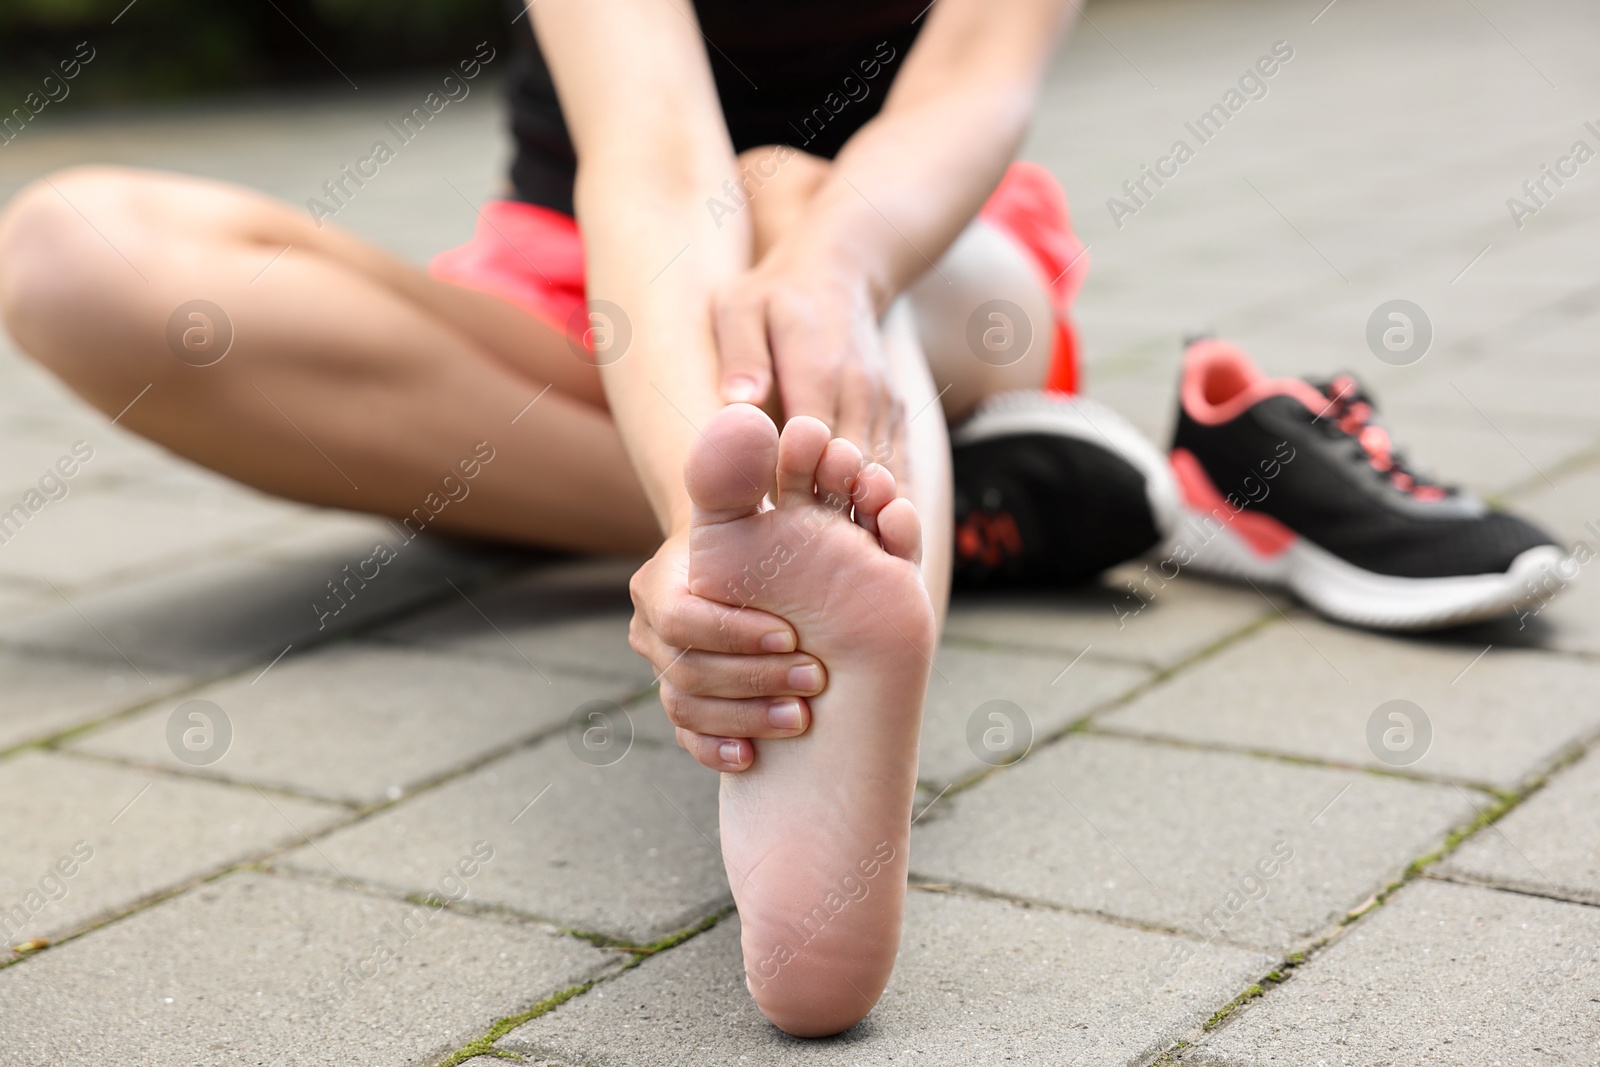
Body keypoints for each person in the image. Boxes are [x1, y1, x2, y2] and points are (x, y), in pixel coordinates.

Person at [0, 0, 1561, 1037]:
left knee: (790, 186)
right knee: (79, 251)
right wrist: (696, 501)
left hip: (916, 275)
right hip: (591, 306)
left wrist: (826, 264)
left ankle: (817, 609)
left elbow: (967, 98)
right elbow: (653, 156)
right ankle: (821, 532)